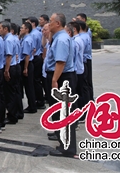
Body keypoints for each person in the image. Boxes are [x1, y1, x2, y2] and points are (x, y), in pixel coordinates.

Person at [46, 13, 78, 158]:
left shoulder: (61, 39)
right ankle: (64, 144)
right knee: (58, 112)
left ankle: (67, 148)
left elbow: (60, 62)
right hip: (60, 77)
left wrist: (54, 81)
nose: (49, 24)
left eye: (51, 22)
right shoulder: (59, 37)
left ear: (58, 23)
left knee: (62, 113)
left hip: (61, 78)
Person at [3, 22, 21, 125]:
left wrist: (6, 70)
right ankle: (15, 113)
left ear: (6, 29)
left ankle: (12, 116)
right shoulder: (14, 38)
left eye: (0, 28)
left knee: (10, 93)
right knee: (14, 91)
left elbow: (9, 56)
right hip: (15, 65)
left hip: (11, 67)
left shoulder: (9, 40)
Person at [28, 16, 46, 110]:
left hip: (35, 57)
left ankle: (39, 100)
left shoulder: (34, 34)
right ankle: (39, 99)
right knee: (37, 80)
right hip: (38, 57)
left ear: (33, 24)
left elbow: (33, 49)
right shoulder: (37, 33)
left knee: (35, 80)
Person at [19, 21, 37, 113]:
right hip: (29, 62)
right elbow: (33, 50)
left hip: (27, 63)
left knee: (29, 86)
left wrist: (25, 68)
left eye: (22, 28)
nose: (20, 29)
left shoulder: (26, 40)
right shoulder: (28, 38)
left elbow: (27, 55)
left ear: (27, 29)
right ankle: (32, 105)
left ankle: (32, 106)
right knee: (29, 86)